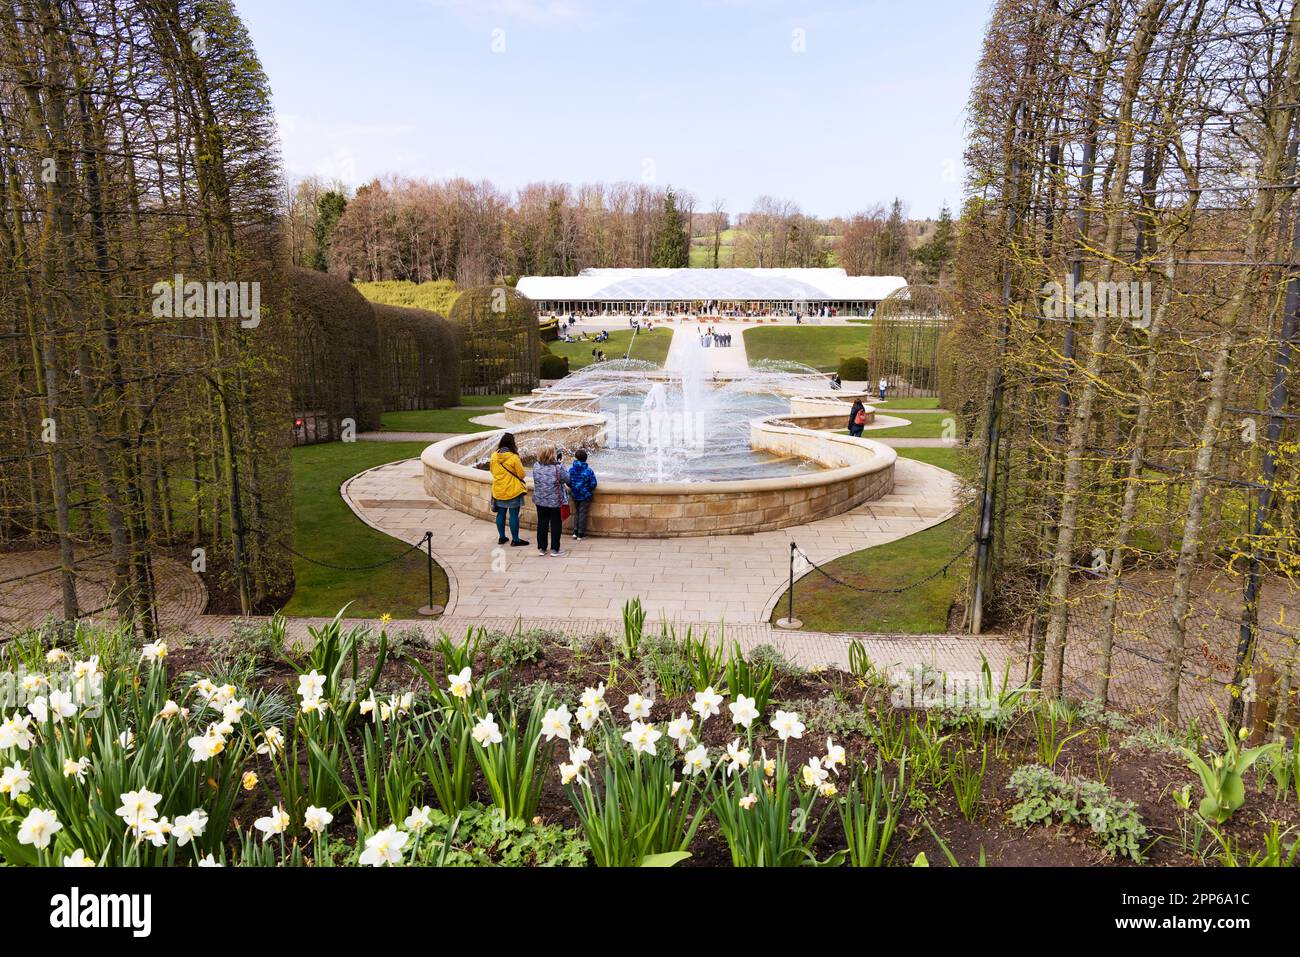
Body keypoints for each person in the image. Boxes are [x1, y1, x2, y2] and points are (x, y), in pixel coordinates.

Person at [489, 433, 529, 547]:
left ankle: (502, 538)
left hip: (498, 489)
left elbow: (492, 471)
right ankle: (515, 540)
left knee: (501, 514)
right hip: (513, 490)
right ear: (512, 443)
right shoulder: (514, 457)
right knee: (513, 514)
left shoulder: (493, 456)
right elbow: (522, 475)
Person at [531, 446, 569, 556]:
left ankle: (542, 548)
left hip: (540, 500)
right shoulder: (558, 468)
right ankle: (554, 549)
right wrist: (561, 464)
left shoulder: (536, 466)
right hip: (555, 501)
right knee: (556, 524)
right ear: (553, 454)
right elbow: (567, 479)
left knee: (542, 523)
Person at [568, 449, 598, 540]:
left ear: (576, 458)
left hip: (575, 494)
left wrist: (574, 487)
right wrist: (587, 489)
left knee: (577, 512)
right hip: (585, 495)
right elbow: (593, 483)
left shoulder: (571, 470)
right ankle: (580, 534)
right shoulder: (588, 471)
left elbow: (568, 482)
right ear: (585, 459)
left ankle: (575, 531)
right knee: (583, 513)